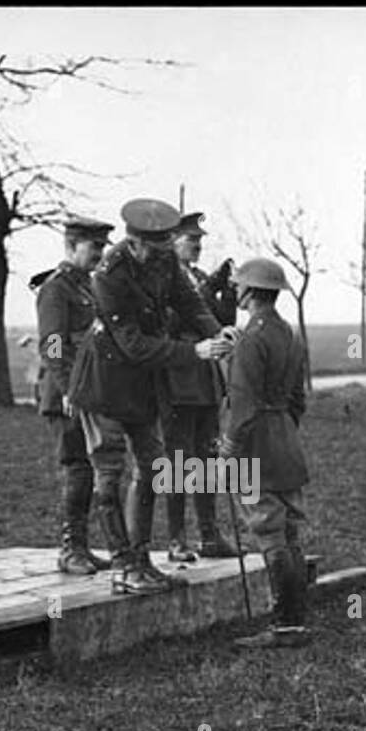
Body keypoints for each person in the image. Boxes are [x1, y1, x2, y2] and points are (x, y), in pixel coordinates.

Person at [67, 197, 234, 595]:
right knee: (109, 473)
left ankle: (141, 559)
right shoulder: (110, 273)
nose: (162, 257)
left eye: (166, 249)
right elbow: (132, 343)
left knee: (153, 466)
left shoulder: (163, 260)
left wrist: (215, 331)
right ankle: (124, 567)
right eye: (155, 250)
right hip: (103, 382)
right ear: (135, 243)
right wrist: (192, 352)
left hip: (141, 380)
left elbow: (188, 300)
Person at [218, 258, 311, 650]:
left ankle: (286, 626)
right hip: (285, 440)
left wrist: (228, 450)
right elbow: (296, 400)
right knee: (288, 530)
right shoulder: (290, 333)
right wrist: (283, 429)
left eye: (239, 285)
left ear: (250, 292)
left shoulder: (250, 339)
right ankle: (295, 619)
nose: (235, 290)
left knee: (268, 530)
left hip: (254, 445)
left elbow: (241, 407)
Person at [33, 216, 116, 574]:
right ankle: (70, 549)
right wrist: (70, 389)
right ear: (71, 246)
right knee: (77, 469)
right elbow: (52, 345)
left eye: (101, 247)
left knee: (86, 467)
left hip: (87, 390)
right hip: (65, 394)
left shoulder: (87, 286)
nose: (99, 253)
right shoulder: (57, 288)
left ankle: (80, 546)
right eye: (93, 246)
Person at [162, 211, 240, 562]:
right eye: (192, 240)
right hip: (177, 378)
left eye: (199, 241)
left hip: (206, 380)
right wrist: (208, 290)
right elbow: (170, 322)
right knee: (178, 462)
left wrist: (228, 288)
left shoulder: (197, 277)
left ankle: (209, 534)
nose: (198, 246)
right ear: (172, 241)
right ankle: (177, 538)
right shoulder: (162, 279)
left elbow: (221, 320)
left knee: (206, 460)